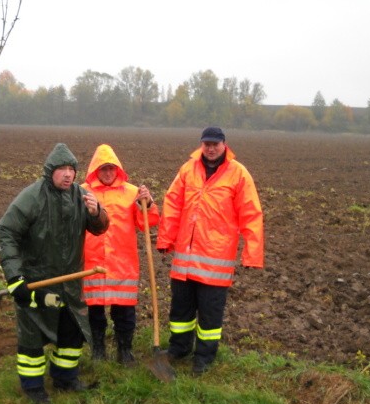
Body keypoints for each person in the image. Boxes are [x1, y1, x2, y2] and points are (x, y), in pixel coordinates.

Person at [0, 143, 109, 404]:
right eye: (62, 170)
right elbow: (7, 231)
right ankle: (33, 387)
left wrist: (96, 213)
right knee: (32, 337)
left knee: (71, 334)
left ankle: (66, 378)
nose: (68, 175)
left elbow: (100, 228)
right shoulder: (32, 196)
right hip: (38, 283)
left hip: (69, 283)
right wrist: (15, 278)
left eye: (71, 169)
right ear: (50, 172)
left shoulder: (82, 196)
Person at [156, 126, 264, 375]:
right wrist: (165, 239)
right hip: (184, 259)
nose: (211, 148)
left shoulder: (238, 174)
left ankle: (204, 358)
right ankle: (179, 349)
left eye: (215, 144)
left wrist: (252, 254)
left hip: (215, 261)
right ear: (201, 145)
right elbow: (172, 203)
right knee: (180, 310)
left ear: (224, 145)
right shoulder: (187, 169)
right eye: (207, 144)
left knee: (210, 314)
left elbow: (251, 214)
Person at [81, 144, 159, 365]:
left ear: (118, 170)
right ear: (96, 170)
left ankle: (125, 351)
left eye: (111, 168)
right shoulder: (82, 192)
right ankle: (98, 351)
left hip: (122, 263)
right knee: (95, 311)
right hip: (92, 262)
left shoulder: (132, 192)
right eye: (103, 168)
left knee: (124, 312)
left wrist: (149, 203)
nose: (107, 173)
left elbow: (147, 223)